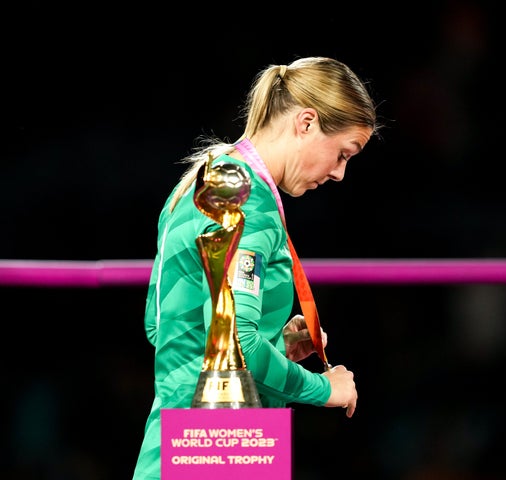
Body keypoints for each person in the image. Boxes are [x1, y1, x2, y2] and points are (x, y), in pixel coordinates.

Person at [132, 56, 379, 479]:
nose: (340, 173)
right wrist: (324, 389)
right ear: (305, 123)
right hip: (217, 443)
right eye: (342, 153)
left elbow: (171, 329)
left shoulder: (210, 179)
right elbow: (234, 343)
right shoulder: (251, 204)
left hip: (202, 439)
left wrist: (275, 342)